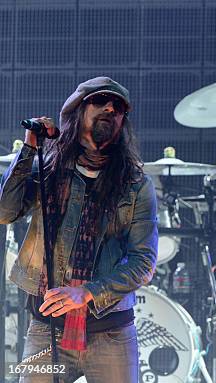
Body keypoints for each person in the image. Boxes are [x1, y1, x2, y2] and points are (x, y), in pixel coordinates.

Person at [0, 77, 158, 382]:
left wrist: (85, 293)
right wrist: (30, 148)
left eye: (119, 108)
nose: (111, 109)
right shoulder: (48, 170)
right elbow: (5, 212)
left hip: (111, 332)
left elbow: (144, 262)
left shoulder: (136, 184)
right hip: (47, 330)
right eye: (101, 102)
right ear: (77, 110)